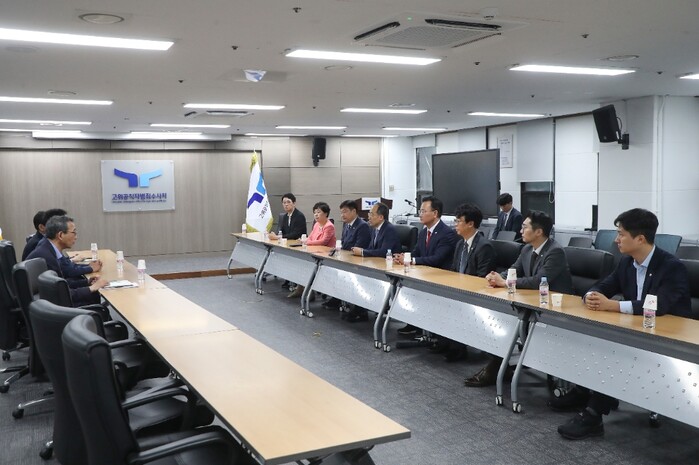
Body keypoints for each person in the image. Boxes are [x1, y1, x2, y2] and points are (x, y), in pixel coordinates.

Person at [555, 208, 691, 440]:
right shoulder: (627, 263)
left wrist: (614, 306)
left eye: (621, 234)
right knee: (595, 341)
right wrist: (591, 296)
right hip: (636, 331)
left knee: (615, 351)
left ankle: (593, 414)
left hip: (670, 339)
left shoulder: (671, 266)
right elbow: (603, 286)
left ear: (640, 239)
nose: (616, 240)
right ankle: (585, 391)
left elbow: (659, 306)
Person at [465, 210, 573, 387]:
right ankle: (498, 366)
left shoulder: (555, 252)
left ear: (538, 232)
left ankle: (496, 368)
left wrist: (505, 282)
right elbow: (513, 270)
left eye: (524, 227)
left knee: (507, 321)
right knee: (498, 319)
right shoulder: (527, 249)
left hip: (554, 309)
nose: (520, 231)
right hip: (531, 303)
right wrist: (496, 277)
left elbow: (538, 281)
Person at [435, 203, 498, 361]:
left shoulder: (484, 247)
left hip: (476, 293)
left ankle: (457, 348)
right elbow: (454, 270)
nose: (455, 225)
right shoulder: (460, 244)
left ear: (470, 224)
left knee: (454, 305)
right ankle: (445, 342)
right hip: (460, 290)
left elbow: (482, 279)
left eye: (458, 221)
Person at [395, 196, 458, 335]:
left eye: (423, 211)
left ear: (435, 213)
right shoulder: (424, 232)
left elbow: (437, 259)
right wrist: (404, 257)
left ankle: (426, 329)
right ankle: (414, 323)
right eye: (420, 211)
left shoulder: (446, 233)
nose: (420, 214)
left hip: (440, 277)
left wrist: (412, 260)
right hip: (424, 274)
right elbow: (417, 252)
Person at [26, 215, 108, 307]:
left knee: (93, 295)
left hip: (47, 301)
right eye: (74, 232)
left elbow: (63, 283)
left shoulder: (48, 247)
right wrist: (92, 288)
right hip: (56, 307)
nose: (76, 237)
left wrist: (86, 282)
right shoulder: (47, 257)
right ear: (60, 235)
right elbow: (63, 295)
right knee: (94, 297)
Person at [343, 202, 402, 323]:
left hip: (390, 269)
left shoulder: (389, 229)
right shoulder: (374, 229)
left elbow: (384, 252)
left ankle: (361, 310)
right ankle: (360, 309)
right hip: (378, 265)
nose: (368, 216)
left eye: (371, 214)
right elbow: (372, 248)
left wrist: (363, 252)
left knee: (363, 277)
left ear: (381, 217)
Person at [323, 200, 371, 310]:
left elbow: (358, 247)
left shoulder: (362, 226)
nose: (342, 215)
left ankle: (355, 306)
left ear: (353, 211)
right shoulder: (346, 224)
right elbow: (344, 243)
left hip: (358, 261)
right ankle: (337, 297)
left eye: (345, 212)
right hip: (346, 258)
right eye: (341, 212)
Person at [288, 202, 336, 298]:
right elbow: (310, 237)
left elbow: (323, 241)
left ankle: (307, 291)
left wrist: (307, 242)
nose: (316, 215)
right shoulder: (317, 224)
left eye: (318, 212)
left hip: (325, 255)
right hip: (314, 252)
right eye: (314, 212)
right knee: (301, 262)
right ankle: (302, 288)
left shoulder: (329, 226)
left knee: (307, 265)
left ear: (326, 213)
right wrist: (305, 240)